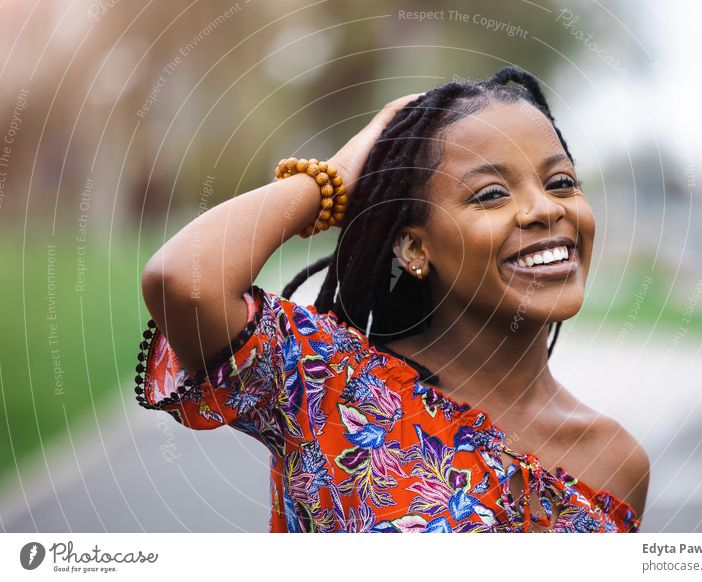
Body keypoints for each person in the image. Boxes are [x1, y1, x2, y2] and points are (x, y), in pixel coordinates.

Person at [135, 66, 650, 533]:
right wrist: (333, 177)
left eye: (562, 182)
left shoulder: (617, 462)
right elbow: (185, 280)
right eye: (492, 193)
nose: (544, 209)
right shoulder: (326, 387)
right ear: (415, 248)